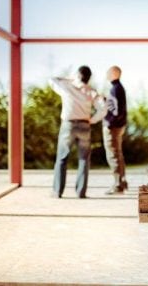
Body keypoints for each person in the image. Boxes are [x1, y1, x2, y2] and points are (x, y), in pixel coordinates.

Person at [50, 66, 105, 199]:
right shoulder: (91, 91)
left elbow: (52, 80)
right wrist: (92, 120)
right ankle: (81, 192)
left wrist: (71, 78)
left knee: (62, 158)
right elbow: (103, 109)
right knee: (84, 160)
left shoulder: (67, 87)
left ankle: (57, 192)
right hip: (85, 125)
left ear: (78, 75)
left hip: (68, 125)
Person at [103, 66, 128, 195]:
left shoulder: (116, 89)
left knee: (113, 155)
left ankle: (118, 185)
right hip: (118, 126)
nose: (106, 75)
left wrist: (109, 123)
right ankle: (122, 182)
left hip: (113, 127)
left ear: (114, 74)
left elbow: (116, 111)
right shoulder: (118, 88)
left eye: (108, 72)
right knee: (118, 154)